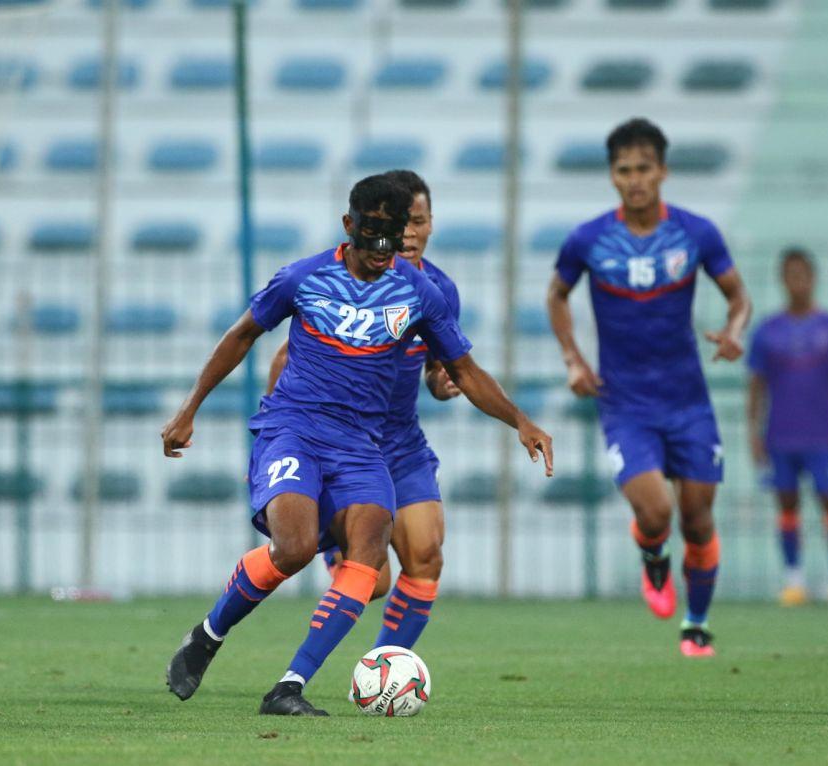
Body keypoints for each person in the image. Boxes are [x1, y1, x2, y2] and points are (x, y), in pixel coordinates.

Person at [162, 174, 553, 716]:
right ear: (349, 226)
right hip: (293, 429)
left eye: (392, 240)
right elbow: (242, 335)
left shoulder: (419, 292)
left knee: (372, 551)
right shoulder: (302, 277)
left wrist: (520, 421)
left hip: (362, 444)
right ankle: (208, 634)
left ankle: (289, 687)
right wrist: (188, 410)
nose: (381, 254)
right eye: (371, 241)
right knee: (294, 548)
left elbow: (462, 369)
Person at [545, 118, 751, 657]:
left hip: (688, 400)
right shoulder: (589, 239)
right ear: (612, 176)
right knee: (656, 511)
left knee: (699, 516)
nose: (635, 180)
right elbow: (556, 295)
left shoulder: (696, 232)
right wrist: (573, 359)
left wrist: (734, 331)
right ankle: (654, 556)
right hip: (625, 402)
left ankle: (697, 623)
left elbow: (738, 296)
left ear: (663, 171)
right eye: (624, 170)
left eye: (644, 169)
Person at [267, 170, 461, 650]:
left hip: (399, 443)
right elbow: (285, 359)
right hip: (338, 441)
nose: (409, 233)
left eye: (418, 222)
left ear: (432, 224)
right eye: (402, 222)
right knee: (374, 581)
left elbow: (442, 370)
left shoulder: (436, 291)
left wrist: (441, 382)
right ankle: (331, 557)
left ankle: (385, 666)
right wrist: (279, 433)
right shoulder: (341, 281)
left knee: (427, 553)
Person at [746, 248, 828, 606]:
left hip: (824, 434)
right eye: (791, 275)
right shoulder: (767, 331)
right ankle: (793, 580)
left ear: (813, 278)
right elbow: (756, 387)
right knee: (787, 505)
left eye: (803, 274)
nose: (798, 282)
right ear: (782, 279)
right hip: (781, 434)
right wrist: (754, 435)